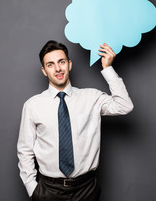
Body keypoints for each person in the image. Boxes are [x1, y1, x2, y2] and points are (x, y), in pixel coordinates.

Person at [17, 40, 133, 201]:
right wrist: (32, 188)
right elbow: (25, 150)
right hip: (48, 190)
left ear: (69, 64)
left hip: (86, 189)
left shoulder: (91, 97)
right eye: (50, 65)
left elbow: (124, 106)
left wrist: (108, 68)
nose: (57, 68)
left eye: (61, 62)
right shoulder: (32, 105)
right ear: (44, 71)